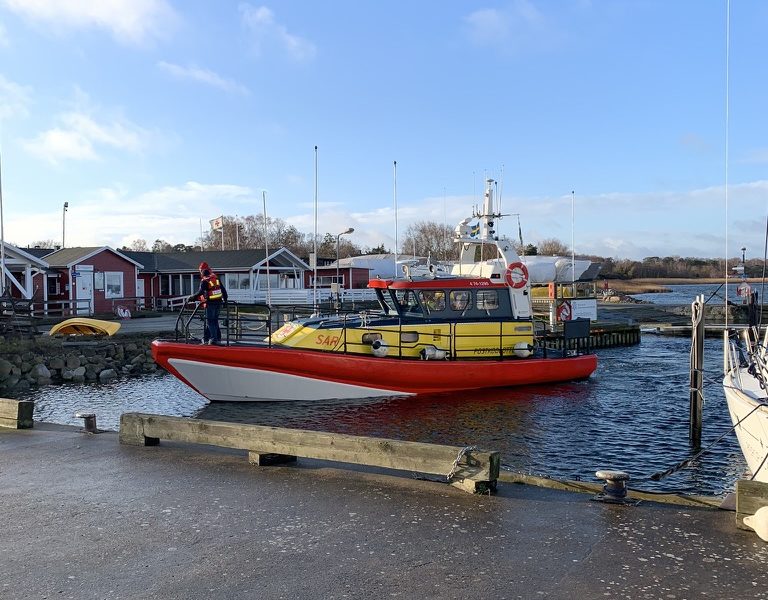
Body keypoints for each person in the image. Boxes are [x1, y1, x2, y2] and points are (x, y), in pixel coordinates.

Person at [189, 261, 228, 345]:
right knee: (214, 321)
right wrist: (225, 301)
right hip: (218, 303)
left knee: (210, 321)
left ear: (202, 272)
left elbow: (200, 292)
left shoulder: (204, 281)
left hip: (210, 303)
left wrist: (192, 297)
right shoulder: (215, 278)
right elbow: (223, 290)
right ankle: (211, 337)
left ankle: (213, 339)